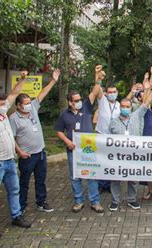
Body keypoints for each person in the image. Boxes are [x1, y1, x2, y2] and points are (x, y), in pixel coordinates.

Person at [0, 71, 32, 238]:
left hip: (10, 161)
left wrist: (22, 79)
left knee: (14, 189)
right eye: (2, 103)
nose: (6, 104)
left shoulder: (2, 113)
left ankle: (16, 216)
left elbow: (14, 93)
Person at [9, 69, 60, 214]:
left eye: (29, 102)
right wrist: (20, 152)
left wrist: (53, 80)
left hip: (40, 153)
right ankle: (21, 206)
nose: (28, 105)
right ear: (18, 105)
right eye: (25, 103)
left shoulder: (33, 109)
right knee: (24, 182)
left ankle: (41, 202)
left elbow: (42, 93)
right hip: (27, 155)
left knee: (41, 179)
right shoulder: (13, 119)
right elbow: (11, 138)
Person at [55, 65, 104, 213]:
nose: (78, 101)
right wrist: (67, 142)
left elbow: (95, 92)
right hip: (73, 150)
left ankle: (95, 202)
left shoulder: (86, 108)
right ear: (70, 102)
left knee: (91, 175)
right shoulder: (64, 115)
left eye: (79, 99)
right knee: (75, 176)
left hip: (88, 149)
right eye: (75, 100)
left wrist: (97, 77)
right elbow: (58, 131)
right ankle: (78, 201)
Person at [107, 98, 141, 211]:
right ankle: (115, 201)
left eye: (127, 106)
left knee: (133, 178)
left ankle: (132, 199)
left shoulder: (136, 117)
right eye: (123, 106)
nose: (125, 108)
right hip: (118, 156)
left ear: (131, 107)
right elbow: (107, 140)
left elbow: (146, 104)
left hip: (133, 155)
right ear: (120, 107)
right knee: (116, 178)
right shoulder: (113, 122)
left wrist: (148, 89)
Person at [95, 84, 121, 193]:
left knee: (112, 161)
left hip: (114, 138)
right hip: (102, 136)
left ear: (117, 93)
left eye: (114, 92)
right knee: (101, 160)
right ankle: (101, 184)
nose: (112, 94)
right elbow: (98, 90)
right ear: (106, 93)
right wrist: (98, 79)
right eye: (109, 92)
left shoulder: (119, 104)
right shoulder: (102, 101)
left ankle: (110, 184)